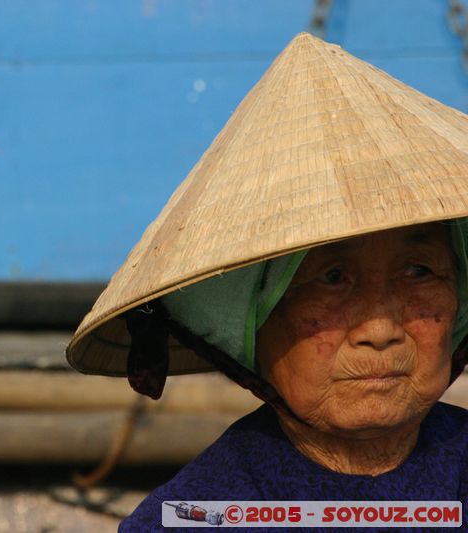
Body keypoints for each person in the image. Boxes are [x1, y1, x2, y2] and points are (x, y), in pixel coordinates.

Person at [65, 32, 468, 531]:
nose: (381, 329)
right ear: (248, 325)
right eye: (332, 278)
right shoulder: (200, 517)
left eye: (418, 271)